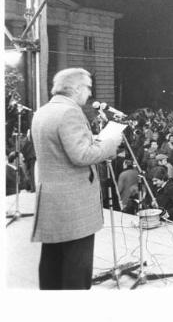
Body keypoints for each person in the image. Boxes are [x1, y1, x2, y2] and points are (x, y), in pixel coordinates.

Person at [31, 68, 121, 289]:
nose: (89, 94)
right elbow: (81, 155)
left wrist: (93, 140)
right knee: (76, 269)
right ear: (77, 88)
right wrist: (110, 143)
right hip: (73, 205)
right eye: (88, 87)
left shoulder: (43, 111)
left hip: (52, 200)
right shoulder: (69, 112)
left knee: (52, 263)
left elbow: (63, 149)